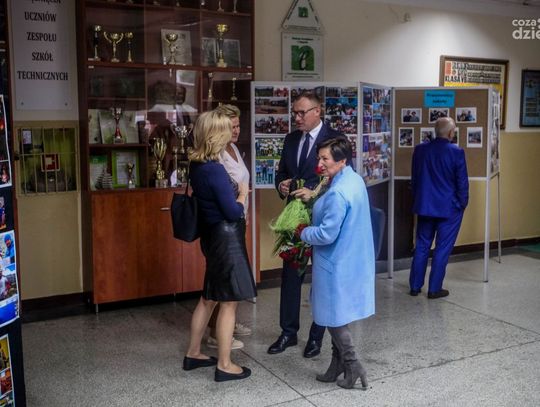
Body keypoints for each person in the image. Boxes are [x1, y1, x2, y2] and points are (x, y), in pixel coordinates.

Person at [183, 111, 256, 382]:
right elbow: (232, 211)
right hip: (227, 239)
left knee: (209, 298)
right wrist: (242, 194)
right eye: (226, 129)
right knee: (229, 302)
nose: (231, 133)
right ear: (216, 134)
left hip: (211, 237)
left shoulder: (198, 164)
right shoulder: (214, 169)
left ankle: (193, 353)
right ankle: (225, 365)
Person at [269, 91, 343, 358]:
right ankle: (288, 333)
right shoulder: (291, 139)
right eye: (295, 113)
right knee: (290, 275)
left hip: (323, 219)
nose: (297, 118)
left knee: (321, 279)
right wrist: (282, 184)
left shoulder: (335, 139)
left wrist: (315, 193)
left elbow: (340, 179)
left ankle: (316, 337)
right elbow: (281, 172)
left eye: (302, 113)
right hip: (295, 219)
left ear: (317, 111)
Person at [298, 137, 374, 389]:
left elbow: (326, 234)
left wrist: (302, 232)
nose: (319, 163)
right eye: (319, 157)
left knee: (333, 317)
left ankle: (352, 364)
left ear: (341, 160)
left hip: (335, 262)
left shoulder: (338, 192)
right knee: (338, 312)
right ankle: (336, 364)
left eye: (325, 159)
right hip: (352, 257)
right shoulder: (353, 179)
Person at [205, 104, 252, 351]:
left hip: (239, 218)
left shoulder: (233, 148)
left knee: (233, 278)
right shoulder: (217, 155)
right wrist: (241, 199)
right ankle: (217, 332)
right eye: (231, 126)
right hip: (226, 223)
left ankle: (229, 323)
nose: (236, 130)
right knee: (224, 279)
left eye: (238, 126)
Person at [409, 117, 469, 299]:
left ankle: (415, 286)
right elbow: (462, 183)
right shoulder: (456, 152)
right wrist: (462, 204)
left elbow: (415, 178)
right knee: (442, 248)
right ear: (451, 133)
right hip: (449, 209)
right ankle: (434, 289)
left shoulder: (420, 150)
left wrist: (419, 199)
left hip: (425, 206)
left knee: (422, 246)